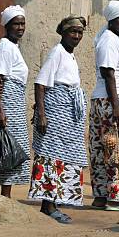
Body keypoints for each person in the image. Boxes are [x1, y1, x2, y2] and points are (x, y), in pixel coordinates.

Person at [28, 16, 87, 223]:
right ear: (63, 33)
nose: (77, 36)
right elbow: (40, 84)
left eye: (80, 32)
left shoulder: (69, 56)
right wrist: (42, 114)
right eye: (73, 32)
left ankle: (54, 203)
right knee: (50, 157)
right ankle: (48, 206)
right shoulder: (57, 53)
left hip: (68, 117)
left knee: (64, 158)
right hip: (55, 115)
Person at [89, 0, 119, 212]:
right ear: (111, 20)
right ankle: (118, 197)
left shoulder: (111, 39)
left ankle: (101, 196)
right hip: (114, 101)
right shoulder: (109, 40)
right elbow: (108, 73)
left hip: (106, 100)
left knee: (102, 148)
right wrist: (116, 106)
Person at [0, 5, 31, 197]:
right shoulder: (5, 47)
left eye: (22, 23)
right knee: (3, 146)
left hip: (11, 103)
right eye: (16, 24)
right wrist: (1, 111)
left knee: (7, 147)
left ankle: (2, 195)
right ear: (7, 26)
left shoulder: (12, 47)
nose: (20, 28)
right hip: (4, 104)